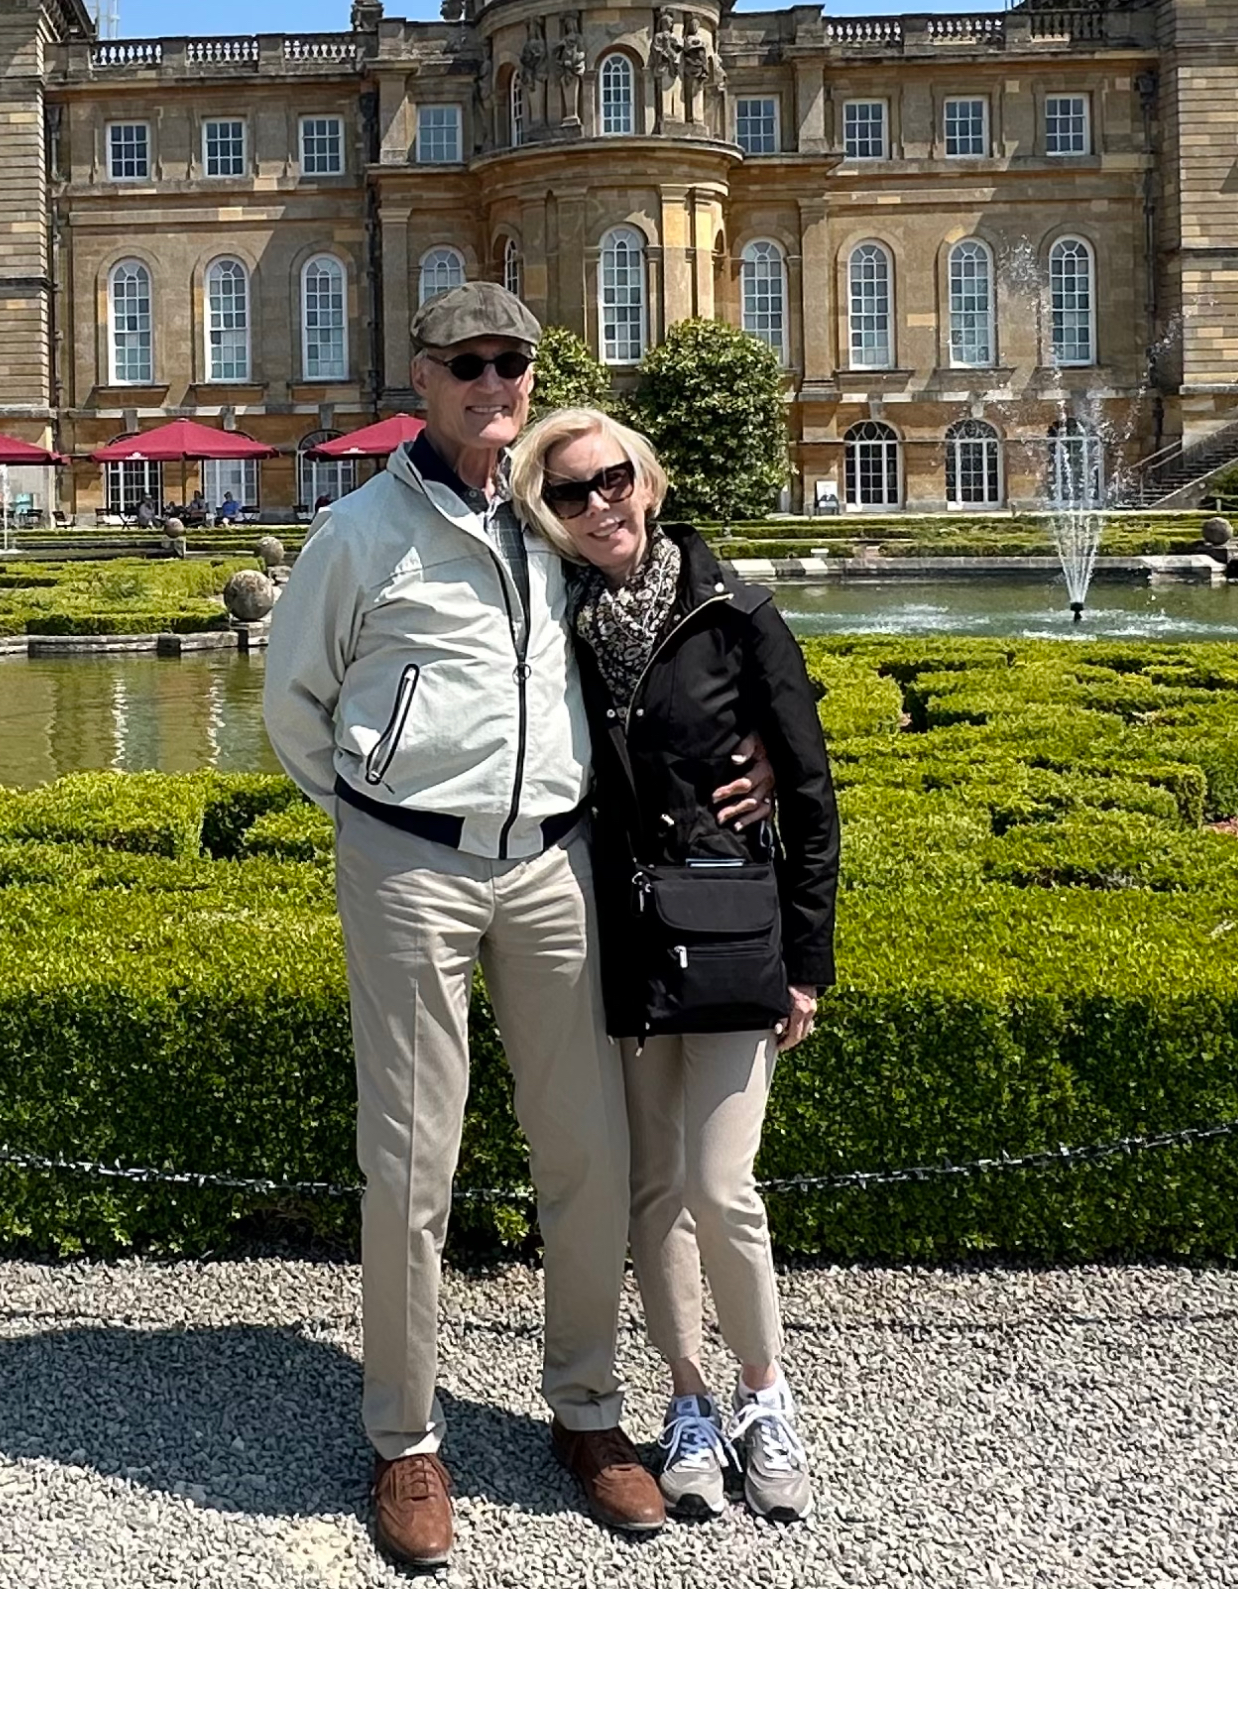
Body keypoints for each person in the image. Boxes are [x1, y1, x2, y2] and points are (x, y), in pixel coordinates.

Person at [262, 283, 773, 1572]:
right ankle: (406, 1438)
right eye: (469, 363)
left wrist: (755, 738)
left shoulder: (554, 514)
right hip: (412, 866)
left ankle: (588, 1413)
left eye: (515, 363)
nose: (497, 382)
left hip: (553, 867)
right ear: (421, 380)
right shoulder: (361, 533)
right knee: (412, 1163)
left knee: (590, 1155)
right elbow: (293, 702)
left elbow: (678, 611)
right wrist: (382, 812)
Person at [510, 408, 839, 1523]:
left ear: (646, 481)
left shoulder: (736, 613)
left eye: (610, 480)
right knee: (652, 1189)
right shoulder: (550, 620)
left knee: (718, 1182)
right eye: (568, 494)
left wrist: (807, 965)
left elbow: (809, 793)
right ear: (545, 513)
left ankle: (765, 1395)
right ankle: (689, 1401)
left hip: (731, 929)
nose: (597, 504)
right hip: (619, 934)